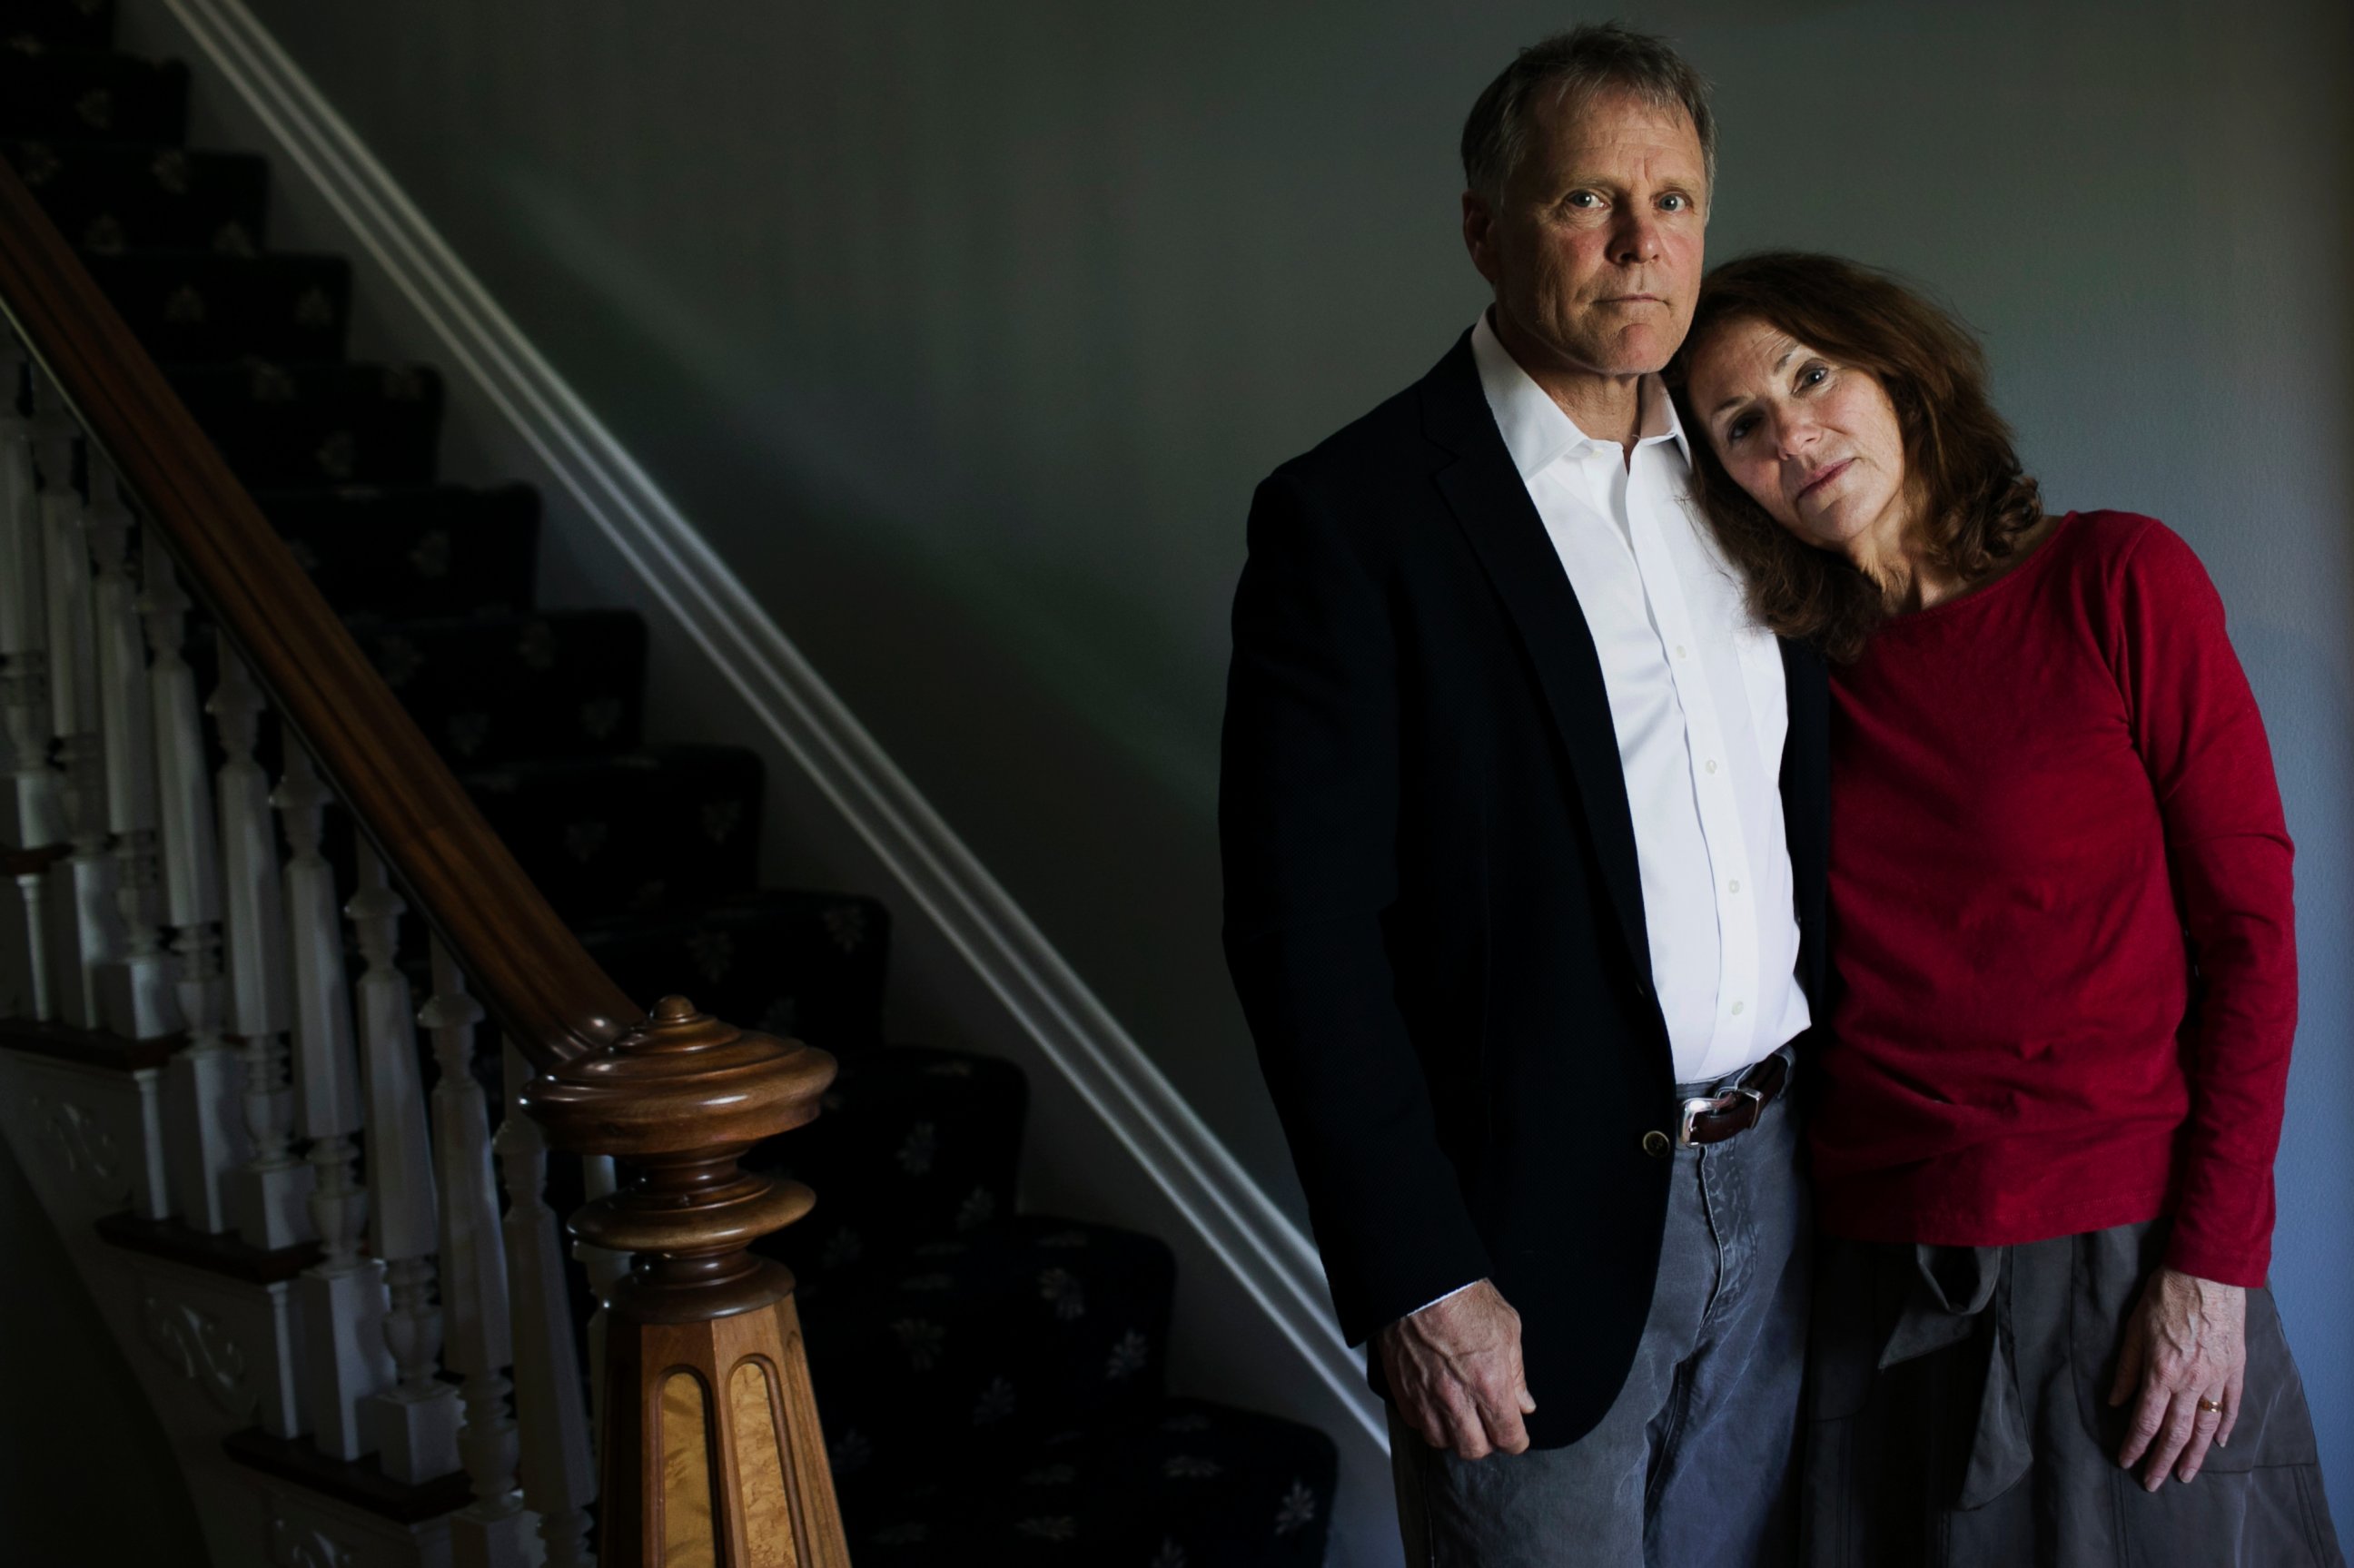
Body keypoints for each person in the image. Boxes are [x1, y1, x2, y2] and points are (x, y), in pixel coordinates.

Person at [1221, 26, 1824, 1564]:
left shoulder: (1761, 482)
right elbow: (1303, 930)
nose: (1642, 244)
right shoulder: (1352, 520)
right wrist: (1418, 1276)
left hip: (1788, 1186)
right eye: (1586, 202)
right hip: (1526, 1242)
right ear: (1484, 228)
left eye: (1676, 201)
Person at [1671, 250, 2343, 1567]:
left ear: (1901, 377)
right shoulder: (1778, 687)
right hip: (1873, 1272)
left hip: (2118, 1258)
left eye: (1813, 374)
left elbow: (2251, 942)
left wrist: (2210, 1269)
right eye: (1741, 425)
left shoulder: (2117, 582)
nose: (1793, 433)